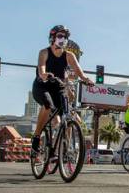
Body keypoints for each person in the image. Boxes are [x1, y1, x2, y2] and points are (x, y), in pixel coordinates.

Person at [31, 25, 93, 155]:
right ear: (52, 38)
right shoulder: (44, 52)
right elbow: (41, 68)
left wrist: (86, 79)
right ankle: (36, 136)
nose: (63, 39)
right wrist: (44, 74)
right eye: (60, 36)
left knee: (68, 114)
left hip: (57, 87)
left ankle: (62, 149)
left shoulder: (69, 55)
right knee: (47, 105)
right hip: (42, 86)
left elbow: (79, 72)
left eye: (65, 37)